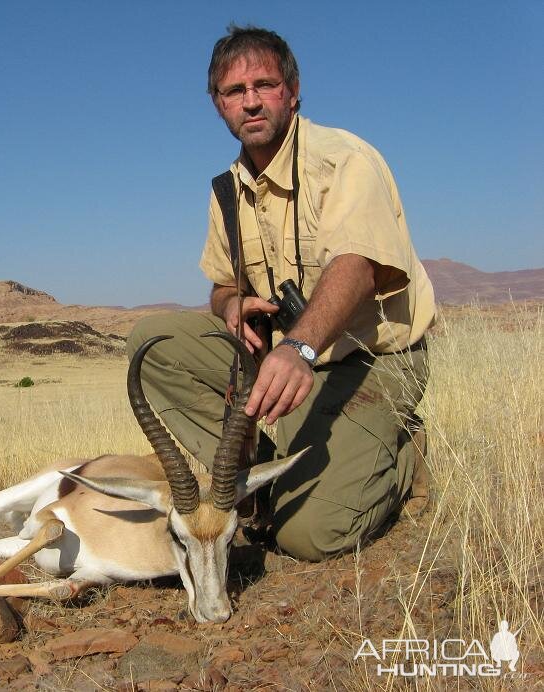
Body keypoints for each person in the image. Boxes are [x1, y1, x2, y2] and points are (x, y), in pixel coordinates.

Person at [128, 25, 436, 562]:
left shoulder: (344, 160)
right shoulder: (227, 190)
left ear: (293, 92)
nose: (250, 102)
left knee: (307, 536)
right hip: (288, 364)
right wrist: (230, 305)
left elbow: (358, 266)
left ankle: (403, 454)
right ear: (217, 106)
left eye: (264, 85)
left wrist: (299, 348)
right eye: (234, 92)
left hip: (370, 361)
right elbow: (222, 282)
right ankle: (257, 473)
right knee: (152, 342)